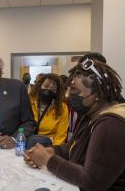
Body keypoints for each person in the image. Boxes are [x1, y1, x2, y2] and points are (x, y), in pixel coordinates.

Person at [24, 58, 125, 191]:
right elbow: (75, 147)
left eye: (75, 91)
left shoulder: (112, 124)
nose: (68, 95)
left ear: (98, 95)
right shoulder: (90, 113)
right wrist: (51, 151)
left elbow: (92, 182)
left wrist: (47, 160)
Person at [29, 74, 69, 145]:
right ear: (39, 86)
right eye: (46, 86)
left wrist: (51, 152)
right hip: (27, 142)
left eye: (53, 89)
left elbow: (60, 136)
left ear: (57, 92)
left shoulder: (62, 108)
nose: (48, 90)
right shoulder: (29, 102)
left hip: (49, 145)